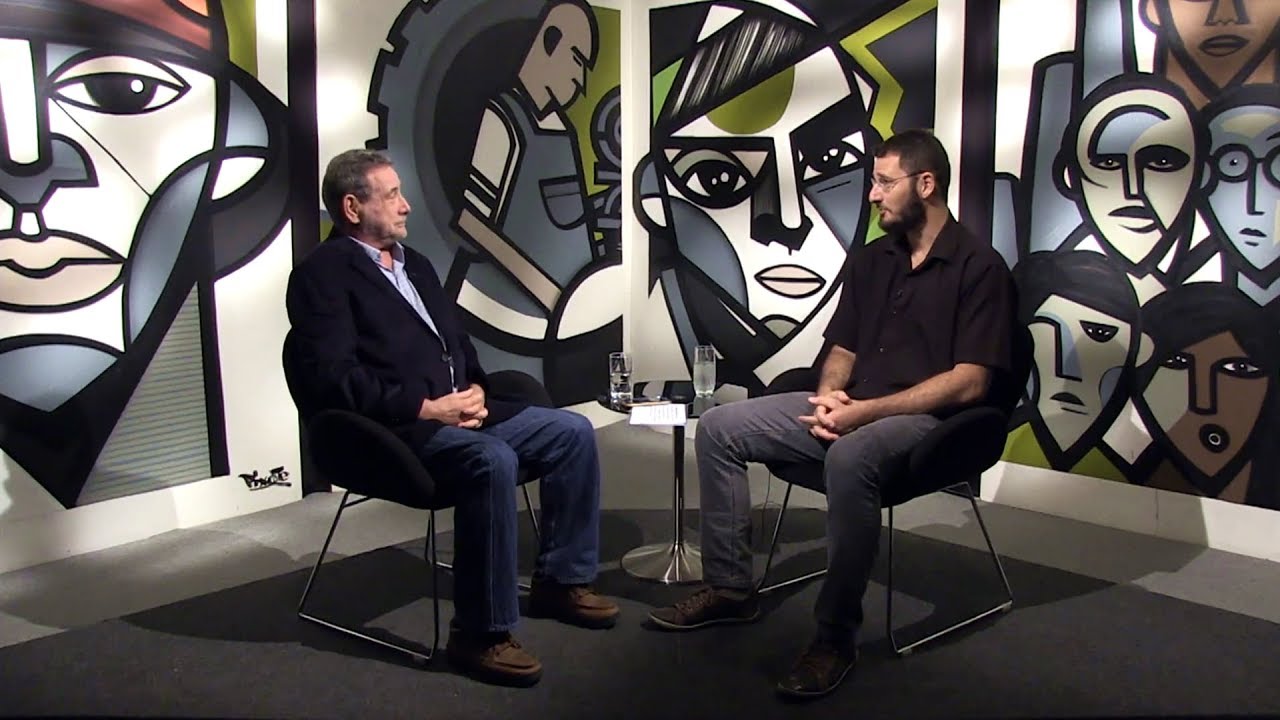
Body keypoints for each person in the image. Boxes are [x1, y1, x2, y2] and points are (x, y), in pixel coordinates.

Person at [649, 129, 1017, 699]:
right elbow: (842, 348)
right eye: (874, 181)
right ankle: (730, 589)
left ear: (925, 184)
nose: (873, 194)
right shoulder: (874, 260)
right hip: (854, 405)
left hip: (928, 422)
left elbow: (971, 382)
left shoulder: (979, 268)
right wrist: (828, 398)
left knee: (849, 457)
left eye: (884, 182)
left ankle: (834, 638)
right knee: (720, 427)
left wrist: (864, 413)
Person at [286, 149, 618, 688]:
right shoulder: (321, 276)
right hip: (394, 430)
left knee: (572, 432)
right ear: (352, 207)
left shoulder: (413, 263)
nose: (406, 205)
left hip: (460, 410)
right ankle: (480, 634)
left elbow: (457, 344)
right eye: (392, 194)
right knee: (492, 459)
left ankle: (561, 582)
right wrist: (426, 408)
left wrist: (478, 388)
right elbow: (333, 378)